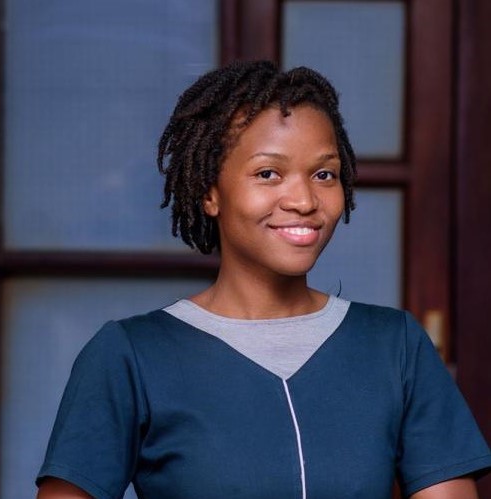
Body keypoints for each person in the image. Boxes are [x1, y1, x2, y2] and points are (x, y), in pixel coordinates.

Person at [36, 60, 491, 499]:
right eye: (268, 173)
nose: (304, 200)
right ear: (210, 193)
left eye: (324, 174)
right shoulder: (130, 356)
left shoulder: (396, 347)